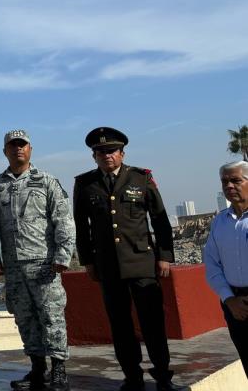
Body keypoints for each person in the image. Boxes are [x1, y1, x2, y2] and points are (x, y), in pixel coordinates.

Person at [72, 127, 179, 391]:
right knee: (120, 327)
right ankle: (132, 376)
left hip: (142, 263)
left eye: (111, 151)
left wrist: (164, 256)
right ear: (93, 156)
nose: (106, 155)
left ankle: (163, 375)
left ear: (122, 153)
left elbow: (160, 220)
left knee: (152, 324)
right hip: (109, 268)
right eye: (100, 152)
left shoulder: (141, 179)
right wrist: (88, 261)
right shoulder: (85, 184)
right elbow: (81, 226)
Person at [0, 130, 74, 391]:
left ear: (30, 149)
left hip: (43, 263)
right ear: (5, 151)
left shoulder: (46, 181)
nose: (18, 150)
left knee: (51, 316)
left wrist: (62, 256)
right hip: (13, 267)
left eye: (22, 145)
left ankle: (59, 369)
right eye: (12, 146)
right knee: (24, 318)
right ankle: (38, 369)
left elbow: (64, 221)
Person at [203, 161, 248, 377]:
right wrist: (229, 299)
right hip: (235, 306)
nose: (229, 185)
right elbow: (212, 263)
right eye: (225, 181)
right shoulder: (220, 222)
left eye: (236, 180)